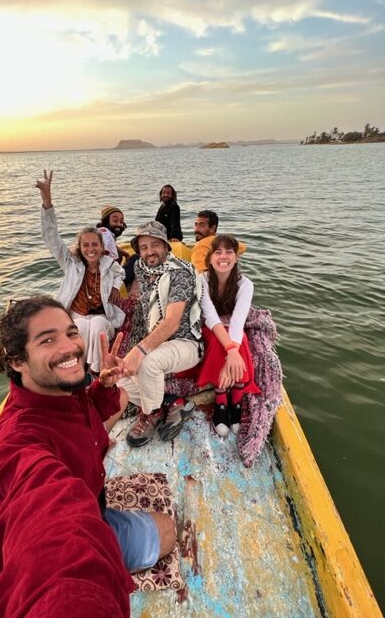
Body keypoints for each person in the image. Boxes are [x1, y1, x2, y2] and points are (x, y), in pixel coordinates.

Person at [0, 296, 176, 618]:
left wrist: (104, 386)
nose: (70, 347)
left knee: (122, 396)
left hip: (94, 501)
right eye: (48, 340)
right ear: (18, 361)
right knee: (167, 531)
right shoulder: (18, 439)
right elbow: (52, 522)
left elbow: (90, 412)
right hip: (81, 522)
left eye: (71, 333)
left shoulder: (62, 390)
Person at [118, 221, 202, 447]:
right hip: (157, 341)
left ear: (166, 246)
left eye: (155, 245)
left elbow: (172, 321)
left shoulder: (180, 273)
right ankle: (174, 403)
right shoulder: (141, 268)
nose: (149, 251)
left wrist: (140, 349)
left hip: (185, 342)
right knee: (120, 383)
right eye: (143, 247)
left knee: (148, 363)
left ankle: (152, 413)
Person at [36, 170, 125, 373]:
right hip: (76, 314)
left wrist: (115, 286)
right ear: (80, 246)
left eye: (95, 245)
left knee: (98, 328)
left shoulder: (109, 264)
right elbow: (51, 237)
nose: (90, 249)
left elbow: (121, 274)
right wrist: (47, 200)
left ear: (102, 247)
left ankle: (95, 372)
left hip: (102, 314)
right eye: (86, 245)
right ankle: (80, 369)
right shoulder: (71, 263)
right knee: (82, 327)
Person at [195, 235, 260, 436]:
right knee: (217, 342)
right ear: (210, 258)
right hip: (210, 326)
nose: (224, 257)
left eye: (229, 252)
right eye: (218, 252)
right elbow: (210, 317)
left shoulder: (245, 284)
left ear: (236, 257)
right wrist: (230, 350)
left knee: (241, 342)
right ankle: (221, 400)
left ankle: (237, 400)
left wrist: (233, 349)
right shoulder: (202, 280)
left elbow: (239, 319)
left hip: (233, 325)